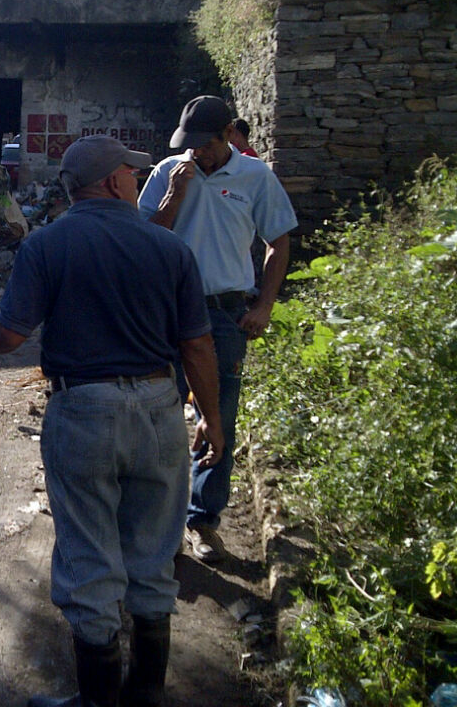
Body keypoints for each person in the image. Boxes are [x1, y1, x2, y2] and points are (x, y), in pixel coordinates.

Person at [0, 135, 224, 707]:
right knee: (153, 553)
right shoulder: (168, 248)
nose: (137, 180)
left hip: (84, 413)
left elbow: (9, 335)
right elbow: (197, 346)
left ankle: (99, 702)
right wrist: (212, 419)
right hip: (158, 408)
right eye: (133, 172)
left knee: (90, 557)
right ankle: (144, 697)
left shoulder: (48, 245)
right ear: (114, 182)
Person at [138, 96, 297, 565]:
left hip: (224, 315)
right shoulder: (168, 171)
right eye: (188, 146)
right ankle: (155, 521)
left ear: (227, 135)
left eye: (203, 146)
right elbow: (144, 240)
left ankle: (202, 520)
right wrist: (174, 194)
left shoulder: (256, 176)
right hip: (165, 314)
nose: (196, 155)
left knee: (219, 417)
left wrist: (265, 305)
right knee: (156, 417)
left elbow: (279, 242)